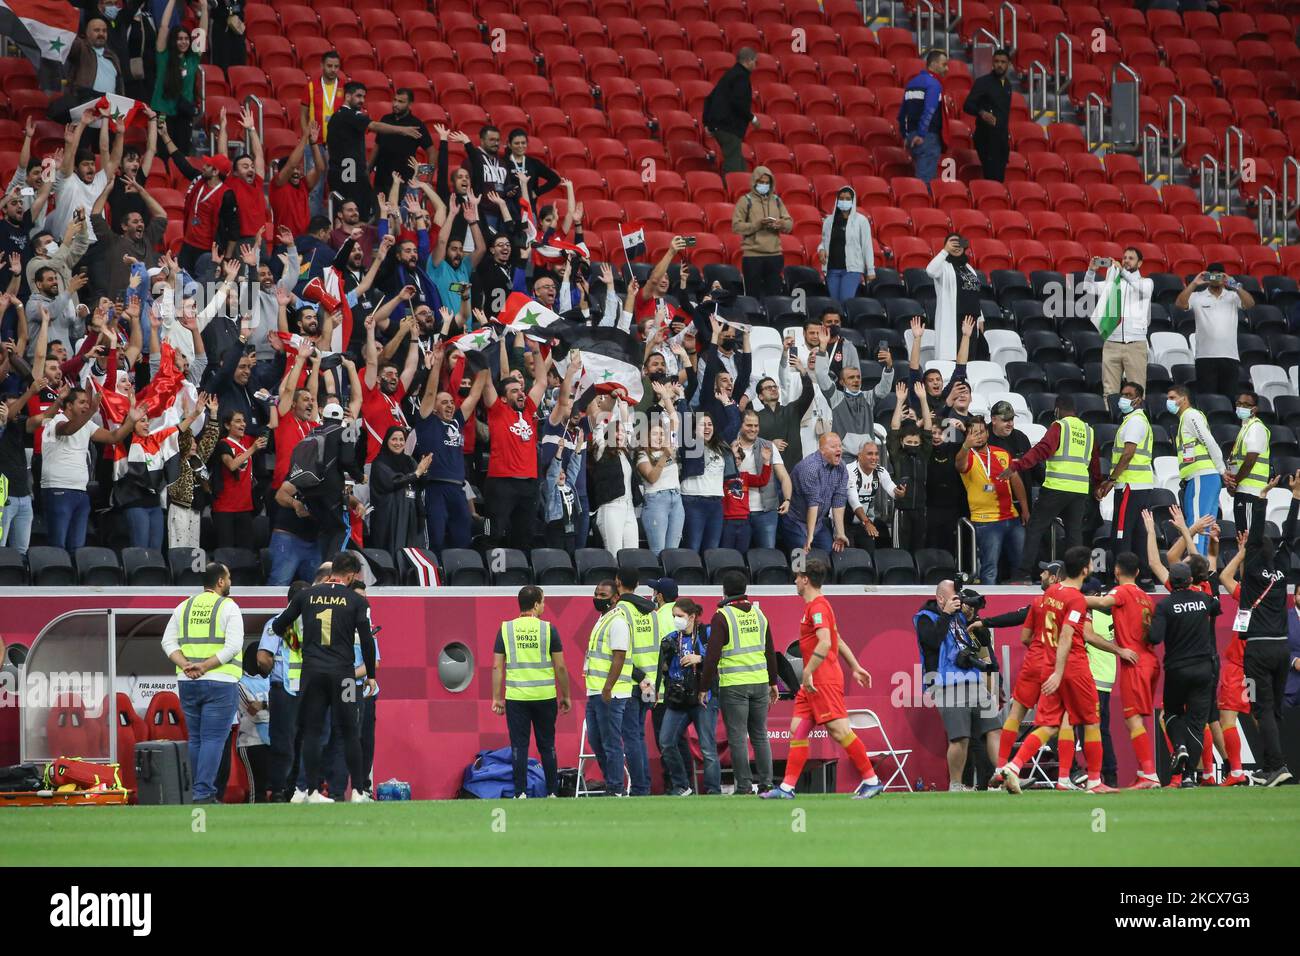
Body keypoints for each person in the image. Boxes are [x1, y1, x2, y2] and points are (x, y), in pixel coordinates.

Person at [995, 546, 1133, 794]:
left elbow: (1031, 633)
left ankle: (1012, 767)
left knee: (1049, 725)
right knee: (1091, 722)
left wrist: (1055, 671)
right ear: (1084, 569)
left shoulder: (1049, 594)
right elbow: (1068, 635)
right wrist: (1060, 672)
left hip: (1048, 664)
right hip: (1073, 667)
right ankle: (1094, 781)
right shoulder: (1076, 599)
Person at [764, 559, 884, 799]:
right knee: (797, 731)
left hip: (822, 681)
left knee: (839, 731)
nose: (795, 581)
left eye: (798, 577)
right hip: (812, 685)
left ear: (806, 579)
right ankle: (787, 788)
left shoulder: (818, 608)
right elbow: (837, 640)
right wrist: (856, 666)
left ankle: (871, 780)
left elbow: (827, 642)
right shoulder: (817, 607)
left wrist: (807, 671)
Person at [271, 551, 376, 803]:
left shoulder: (306, 595)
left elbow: (278, 625)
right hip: (345, 677)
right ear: (351, 576)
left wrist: (296, 641)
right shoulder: (357, 601)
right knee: (351, 731)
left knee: (313, 732)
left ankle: (311, 791)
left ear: (331, 573)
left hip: (312, 675)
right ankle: (359, 792)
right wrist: (370, 675)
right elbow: (368, 642)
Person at [1219, 473, 1297, 788]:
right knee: (1273, 709)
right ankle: (1273, 766)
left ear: (1252, 551)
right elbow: (1291, 537)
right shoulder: (1282, 568)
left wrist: (1263, 499)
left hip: (1258, 651)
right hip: (1281, 649)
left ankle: (1276, 765)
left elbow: (1253, 539)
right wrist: (1296, 497)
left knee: (1259, 707)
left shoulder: (1250, 569)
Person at [160, 562, 243, 804]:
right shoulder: (229, 607)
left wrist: (186, 665)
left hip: (188, 682)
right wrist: (204, 666)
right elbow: (234, 646)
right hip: (220, 681)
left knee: (196, 739)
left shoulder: (183, 606)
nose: (230, 582)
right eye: (228, 578)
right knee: (214, 740)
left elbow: (167, 643)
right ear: (220, 582)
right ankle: (204, 792)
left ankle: (196, 792)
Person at [914, 581, 1003, 791]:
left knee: (994, 729)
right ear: (941, 599)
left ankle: (1003, 775)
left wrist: (973, 618)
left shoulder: (961, 618)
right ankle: (956, 784)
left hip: (973, 679)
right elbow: (933, 642)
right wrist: (946, 614)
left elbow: (978, 643)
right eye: (954, 598)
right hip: (945, 683)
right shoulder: (924, 618)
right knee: (960, 737)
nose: (958, 602)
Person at [1001, 394, 1101, 580]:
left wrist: (1017, 465)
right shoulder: (1089, 431)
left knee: (1035, 528)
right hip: (1079, 490)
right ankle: (1077, 576)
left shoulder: (1059, 426)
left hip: (1056, 487)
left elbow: (1042, 449)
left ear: (1057, 410)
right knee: (1074, 535)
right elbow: (1095, 462)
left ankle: (1023, 575)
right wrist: (1098, 484)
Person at [699, 570, 779, 795]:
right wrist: (773, 682)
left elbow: (712, 656)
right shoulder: (759, 614)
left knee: (737, 736)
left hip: (734, 685)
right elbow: (770, 652)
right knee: (760, 735)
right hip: (760, 682)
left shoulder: (722, 616)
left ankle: (744, 786)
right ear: (745, 589)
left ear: (724, 590)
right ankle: (767, 783)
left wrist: (704, 687)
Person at [1083, 552, 1159, 788]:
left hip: (1132, 660)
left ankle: (1149, 774)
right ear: (1137, 572)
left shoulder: (1121, 592)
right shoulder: (1147, 597)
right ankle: (1145, 771)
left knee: (1132, 719)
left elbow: (1104, 603)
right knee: (1138, 719)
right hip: (1149, 661)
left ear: (1116, 571)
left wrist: (1072, 597)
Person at [38, 385, 140, 551]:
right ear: (69, 405)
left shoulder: (87, 425)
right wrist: (92, 410)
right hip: (57, 490)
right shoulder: (55, 422)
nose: (86, 405)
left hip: (81, 493)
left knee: (77, 548)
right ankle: (56, 577)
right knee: (57, 547)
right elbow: (68, 429)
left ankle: (74, 577)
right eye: (82, 402)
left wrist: (131, 421)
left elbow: (114, 437)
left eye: (88, 403)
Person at [491, 586, 571, 798]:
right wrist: (566, 696)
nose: (545, 605)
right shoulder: (548, 629)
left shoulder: (506, 629)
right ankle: (553, 792)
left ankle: (520, 793)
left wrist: (497, 698)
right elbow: (561, 667)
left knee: (519, 746)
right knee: (547, 745)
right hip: (545, 697)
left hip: (517, 698)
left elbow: (497, 666)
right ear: (536, 604)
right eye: (543, 601)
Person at [1150, 561, 1221, 787]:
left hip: (1178, 669)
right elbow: (1216, 607)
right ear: (1190, 581)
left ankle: (1179, 747)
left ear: (1170, 582)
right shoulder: (1203, 600)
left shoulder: (1165, 605)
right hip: (1204, 669)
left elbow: (1154, 638)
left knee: (1171, 714)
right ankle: (1190, 776)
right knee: (1197, 725)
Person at [481, 352, 550, 551]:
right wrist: (485, 350)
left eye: (521, 390)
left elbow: (542, 382)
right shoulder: (497, 411)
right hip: (501, 482)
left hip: (529, 483)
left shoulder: (528, 410)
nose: (521, 393)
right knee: (494, 534)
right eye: (514, 391)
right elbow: (486, 385)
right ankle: (491, 578)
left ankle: (517, 577)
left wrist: (537, 351)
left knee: (524, 536)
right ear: (502, 398)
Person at [656, 597, 720, 796]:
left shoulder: (707, 633)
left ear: (692, 617)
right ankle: (682, 785)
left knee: (707, 747)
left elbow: (720, 657)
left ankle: (713, 790)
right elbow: (664, 669)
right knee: (666, 742)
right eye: (674, 616)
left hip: (704, 697)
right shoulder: (670, 638)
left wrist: (699, 658)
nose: (676, 620)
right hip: (679, 699)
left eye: (680, 616)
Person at [957, 416, 1030, 585]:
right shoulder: (967, 456)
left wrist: (1025, 509)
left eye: (981, 432)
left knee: (1022, 566)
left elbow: (1016, 480)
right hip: (986, 521)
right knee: (990, 569)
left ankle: (1022, 606)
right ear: (967, 436)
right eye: (973, 433)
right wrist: (965, 446)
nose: (979, 436)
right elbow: (959, 465)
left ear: (988, 433)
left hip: (1012, 518)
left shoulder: (1002, 453)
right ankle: (987, 609)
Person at [256, 580, 308, 802]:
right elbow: (263, 657)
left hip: (305, 691)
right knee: (284, 743)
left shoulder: (311, 624)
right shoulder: (277, 623)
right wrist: (273, 675)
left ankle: (295, 790)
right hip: (285, 692)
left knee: (302, 743)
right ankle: (278, 790)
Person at [611, 568, 660, 797]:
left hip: (631, 681)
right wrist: (653, 682)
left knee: (631, 737)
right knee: (638, 736)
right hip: (650, 682)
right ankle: (644, 785)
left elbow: (621, 653)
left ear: (618, 582)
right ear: (638, 583)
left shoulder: (620, 611)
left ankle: (640, 788)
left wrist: (640, 678)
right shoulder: (652, 612)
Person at [1100, 381, 1156, 580]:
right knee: (1139, 535)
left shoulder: (1134, 421)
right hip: (1140, 484)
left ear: (1138, 399)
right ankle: (1145, 578)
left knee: (1121, 534)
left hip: (1130, 485)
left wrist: (1111, 479)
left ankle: (1122, 578)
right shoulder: (1137, 420)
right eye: (1122, 394)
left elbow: (1127, 454)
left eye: (1128, 395)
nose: (1123, 398)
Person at [582, 580, 633, 796]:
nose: (598, 598)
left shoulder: (618, 622)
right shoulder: (602, 619)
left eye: (603, 595)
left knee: (611, 742)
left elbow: (619, 657)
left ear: (615, 598)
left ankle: (615, 788)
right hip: (595, 691)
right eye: (596, 593)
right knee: (596, 740)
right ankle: (611, 783)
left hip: (610, 692)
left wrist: (608, 687)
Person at [1176, 264, 1255, 400]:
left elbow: (1250, 303)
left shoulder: (1233, 296)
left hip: (1230, 356)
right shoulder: (1197, 296)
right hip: (1205, 356)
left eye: (1219, 275)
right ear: (1207, 277)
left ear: (1224, 277)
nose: (1215, 278)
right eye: (1212, 275)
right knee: (1207, 399)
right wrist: (1194, 283)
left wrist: (1235, 284)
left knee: (1229, 399)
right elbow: (1180, 303)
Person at [1085, 249, 1152, 399]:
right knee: (1109, 392)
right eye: (1125, 258)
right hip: (1112, 342)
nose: (1126, 260)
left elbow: (1143, 290)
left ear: (1140, 263)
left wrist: (1122, 271)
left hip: (1135, 344)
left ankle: (1136, 421)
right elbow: (1088, 288)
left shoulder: (1146, 282)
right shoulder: (1112, 284)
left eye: (1131, 258)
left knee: (1137, 390)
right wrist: (1091, 271)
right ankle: (1111, 420)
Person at [1167, 384, 1224, 555]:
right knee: (1206, 527)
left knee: (1197, 525)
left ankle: (1196, 568)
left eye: (1172, 398)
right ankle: (1203, 570)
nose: (1168, 402)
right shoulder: (1186, 418)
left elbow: (1209, 442)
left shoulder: (1190, 415)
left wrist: (1222, 470)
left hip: (1202, 476)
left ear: (1183, 399)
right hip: (1203, 477)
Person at [779, 432, 850, 554]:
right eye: (833, 447)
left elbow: (839, 501)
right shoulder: (810, 467)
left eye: (840, 446)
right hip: (795, 520)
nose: (838, 449)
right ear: (822, 450)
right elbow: (813, 504)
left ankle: (821, 574)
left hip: (817, 523)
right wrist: (809, 537)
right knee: (801, 554)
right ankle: (799, 574)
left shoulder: (841, 467)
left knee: (827, 552)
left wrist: (840, 533)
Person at [731, 166, 792, 300]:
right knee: (752, 298)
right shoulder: (745, 201)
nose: (764, 185)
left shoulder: (777, 200)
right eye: (761, 182)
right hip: (753, 257)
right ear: (754, 182)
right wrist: (757, 225)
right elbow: (736, 226)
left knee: (775, 297)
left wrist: (780, 224)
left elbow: (789, 224)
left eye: (766, 183)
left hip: (775, 255)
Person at [151, 0, 203, 155]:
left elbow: (202, 32)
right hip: (162, 113)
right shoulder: (163, 56)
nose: (184, 42)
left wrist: (205, 9)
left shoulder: (192, 59)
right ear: (174, 40)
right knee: (162, 152)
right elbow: (164, 26)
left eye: (186, 39)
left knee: (183, 153)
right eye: (180, 39)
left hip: (183, 113)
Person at [369, 425, 431, 553]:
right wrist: (416, 473)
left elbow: (421, 484)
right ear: (387, 441)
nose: (398, 443)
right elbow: (392, 482)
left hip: (410, 513)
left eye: (401, 439)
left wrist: (424, 472)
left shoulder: (409, 461)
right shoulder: (379, 462)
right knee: (392, 551)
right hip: (390, 515)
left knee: (410, 552)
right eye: (394, 439)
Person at [926, 235, 982, 362]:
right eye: (952, 243)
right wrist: (945, 251)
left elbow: (974, 292)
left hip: (971, 321)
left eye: (959, 243)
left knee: (970, 360)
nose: (956, 246)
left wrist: (980, 318)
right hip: (954, 320)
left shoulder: (969, 268)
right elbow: (930, 271)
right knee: (954, 360)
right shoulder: (943, 266)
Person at [702, 47, 757, 174]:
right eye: (755, 61)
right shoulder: (741, 77)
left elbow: (710, 98)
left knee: (740, 165)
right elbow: (738, 103)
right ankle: (729, 191)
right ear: (748, 61)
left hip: (721, 126)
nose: (755, 65)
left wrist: (707, 123)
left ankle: (741, 189)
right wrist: (752, 119)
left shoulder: (730, 75)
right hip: (729, 127)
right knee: (734, 167)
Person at [898, 49, 949, 185]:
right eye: (944, 64)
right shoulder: (934, 84)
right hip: (927, 137)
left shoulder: (911, 84)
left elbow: (902, 114)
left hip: (912, 137)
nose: (947, 68)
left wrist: (905, 135)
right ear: (933, 64)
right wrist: (921, 134)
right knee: (924, 182)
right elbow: (929, 110)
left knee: (919, 178)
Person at [816, 186, 875, 302]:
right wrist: (821, 249)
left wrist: (871, 269)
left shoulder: (861, 221)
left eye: (848, 199)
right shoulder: (828, 221)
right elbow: (824, 242)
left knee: (845, 300)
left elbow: (867, 246)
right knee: (835, 304)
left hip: (852, 269)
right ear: (837, 200)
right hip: (832, 269)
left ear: (853, 201)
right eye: (841, 198)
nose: (844, 201)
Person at [680, 410, 728, 552]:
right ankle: (690, 574)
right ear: (693, 430)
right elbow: (684, 421)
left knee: (712, 551)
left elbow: (734, 424)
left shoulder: (719, 446)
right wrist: (681, 398)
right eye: (702, 425)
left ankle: (708, 575)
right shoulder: (690, 445)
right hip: (694, 501)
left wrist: (727, 405)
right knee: (692, 548)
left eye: (710, 424)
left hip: (716, 503)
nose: (707, 427)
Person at [962, 48, 1012, 181]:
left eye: (1003, 62)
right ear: (992, 63)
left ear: (1008, 65)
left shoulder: (1007, 85)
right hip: (986, 139)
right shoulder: (983, 82)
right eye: (996, 61)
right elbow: (967, 105)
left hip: (1001, 141)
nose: (999, 65)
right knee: (992, 178)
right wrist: (981, 113)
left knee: (999, 180)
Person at [1225, 389, 1270, 532]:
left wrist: (1235, 482)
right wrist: (1232, 484)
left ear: (1254, 409)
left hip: (1251, 492)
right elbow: (1234, 460)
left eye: (1246, 405)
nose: (1241, 407)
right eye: (1239, 403)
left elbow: (1250, 461)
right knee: (1242, 537)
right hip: (1242, 491)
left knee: (1248, 539)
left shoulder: (1256, 427)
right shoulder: (1245, 428)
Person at [846, 440, 900, 551]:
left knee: (870, 553)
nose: (874, 457)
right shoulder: (849, 471)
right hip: (844, 522)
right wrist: (866, 522)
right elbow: (853, 500)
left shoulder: (880, 470)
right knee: (850, 555)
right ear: (859, 456)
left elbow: (890, 487)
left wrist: (898, 492)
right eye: (870, 454)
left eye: (876, 454)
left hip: (863, 522)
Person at [236, 644, 271, 802]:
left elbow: (285, 705)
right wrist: (270, 706)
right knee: (257, 791)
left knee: (278, 788)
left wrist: (263, 705)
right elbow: (252, 710)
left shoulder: (272, 680)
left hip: (274, 740)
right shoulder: (240, 683)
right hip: (251, 742)